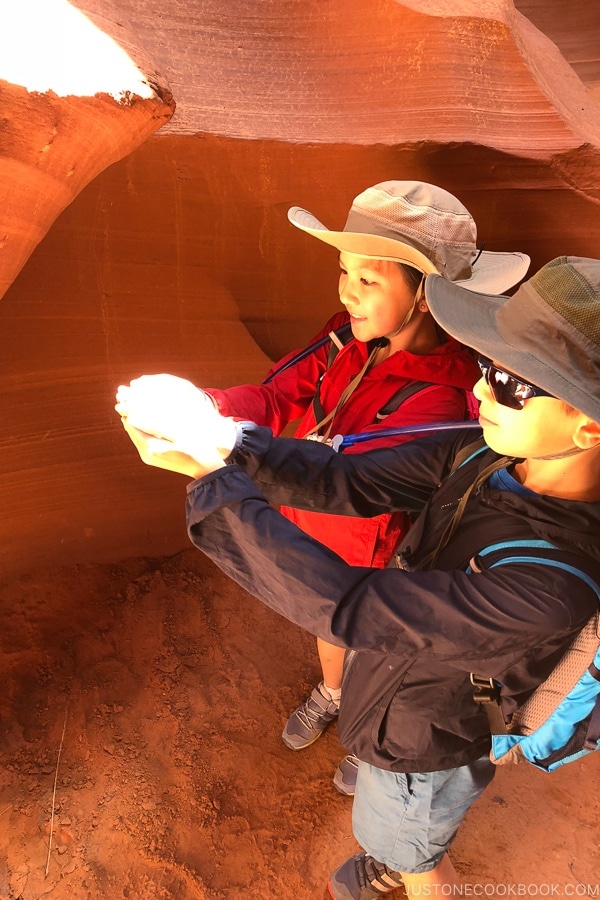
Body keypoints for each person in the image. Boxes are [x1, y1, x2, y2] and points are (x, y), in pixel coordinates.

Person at [116, 256, 600, 898]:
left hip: (430, 737)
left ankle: (407, 864)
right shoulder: (489, 452)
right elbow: (353, 478)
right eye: (488, 366)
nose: (481, 390)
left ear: (589, 426)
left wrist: (213, 480)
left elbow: (349, 605)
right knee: (397, 818)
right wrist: (226, 440)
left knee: (414, 836)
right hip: (403, 689)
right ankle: (394, 853)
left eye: (513, 384)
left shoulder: (551, 585)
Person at [198, 180, 529, 795]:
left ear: (427, 296)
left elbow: (359, 477)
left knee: (371, 637)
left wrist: (222, 447)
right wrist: (208, 408)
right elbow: (277, 394)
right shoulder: (343, 338)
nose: (346, 291)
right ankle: (333, 693)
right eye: (344, 270)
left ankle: (363, 729)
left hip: (382, 548)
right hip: (314, 516)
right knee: (330, 630)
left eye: (369, 280)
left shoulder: (448, 397)